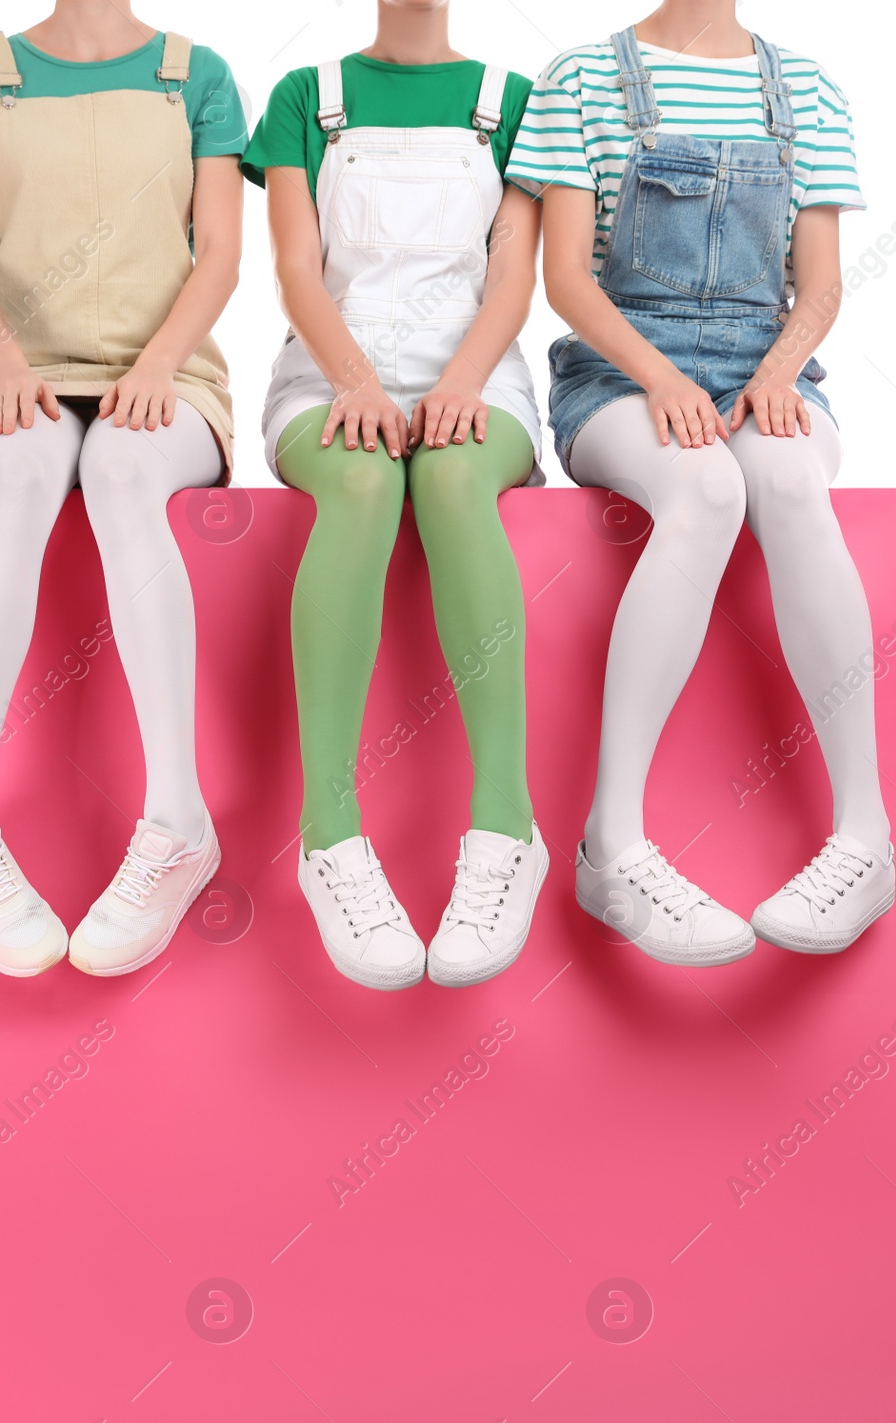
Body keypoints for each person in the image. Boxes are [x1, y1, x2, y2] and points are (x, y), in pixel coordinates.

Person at [508, 1, 895, 962]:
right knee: (711, 491)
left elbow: (822, 285)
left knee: (794, 489)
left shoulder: (808, 88)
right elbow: (567, 280)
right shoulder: (580, 79)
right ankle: (615, 844)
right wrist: (661, 377)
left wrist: (776, 371)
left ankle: (866, 838)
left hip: (768, 369)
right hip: (619, 373)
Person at [0, 2, 246, 977]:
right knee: (19, 473)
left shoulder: (198, 73)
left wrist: (157, 364)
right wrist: (3, 362)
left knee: (118, 467)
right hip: (16, 368)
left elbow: (222, 254)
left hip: (168, 374)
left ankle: (177, 818)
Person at [244, 0, 549, 991]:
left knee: (455, 478)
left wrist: (459, 381)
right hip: (331, 373)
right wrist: (356, 381)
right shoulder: (305, 98)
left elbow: (512, 278)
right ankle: (328, 832)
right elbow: (295, 267)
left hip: (478, 372)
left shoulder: (512, 101)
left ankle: (506, 824)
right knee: (367, 486)